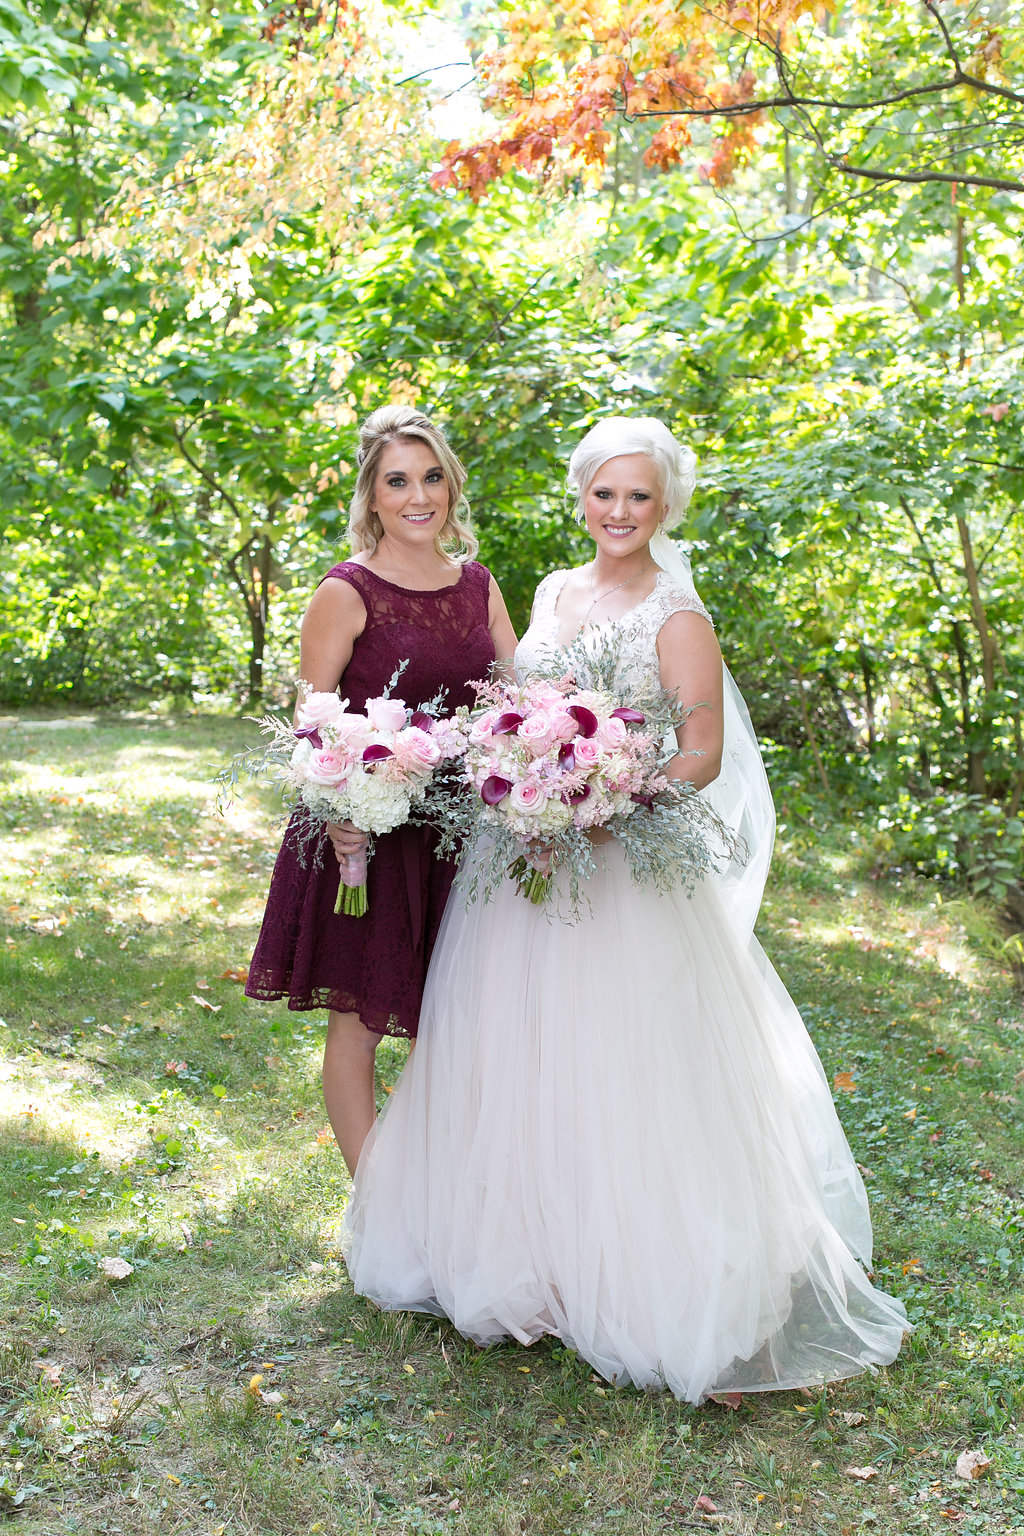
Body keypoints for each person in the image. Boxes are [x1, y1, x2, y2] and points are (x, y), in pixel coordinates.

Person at [342, 416, 908, 1404]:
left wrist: (606, 804)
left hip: (622, 870)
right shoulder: (556, 591)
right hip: (522, 868)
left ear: (665, 506)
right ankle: (538, 1264)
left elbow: (701, 753)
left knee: (626, 1067)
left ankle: (653, 1283)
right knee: (518, 1057)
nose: (618, 513)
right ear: (582, 496)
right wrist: (516, 777)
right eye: (604, 493)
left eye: (638, 497)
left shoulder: (678, 615)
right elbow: (509, 702)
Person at [245, 405, 517, 1175]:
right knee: (360, 1025)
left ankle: (457, 1184)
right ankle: (380, 1204)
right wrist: (339, 811)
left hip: (464, 832)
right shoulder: (347, 590)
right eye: (397, 481)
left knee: (464, 1015)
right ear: (371, 497)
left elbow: (510, 699)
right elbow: (314, 722)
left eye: (431, 477)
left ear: (451, 485)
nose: (417, 496)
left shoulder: (480, 586)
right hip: (367, 835)